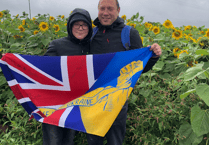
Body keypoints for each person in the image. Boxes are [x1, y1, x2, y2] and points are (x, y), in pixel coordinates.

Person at [87, 0, 162, 145]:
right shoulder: (92, 34)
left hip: (117, 100)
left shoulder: (129, 34)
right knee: (93, 141)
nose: (106, 13)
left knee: (115, 141)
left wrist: (153, 56)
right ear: (98, 10)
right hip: (93, 99)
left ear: (118, 10)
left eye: (110, 9)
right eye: (102, 9)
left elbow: (140, 68)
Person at [42, 8, 93, 145]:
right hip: (55, 104)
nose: (80, 28)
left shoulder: (93, 46)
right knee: (54, 141)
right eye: (76, 24)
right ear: (70, 26)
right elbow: (43, 71)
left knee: (69, 141)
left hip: (79, 105)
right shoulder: (57, 45)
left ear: (89, 27)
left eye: (84, 24)